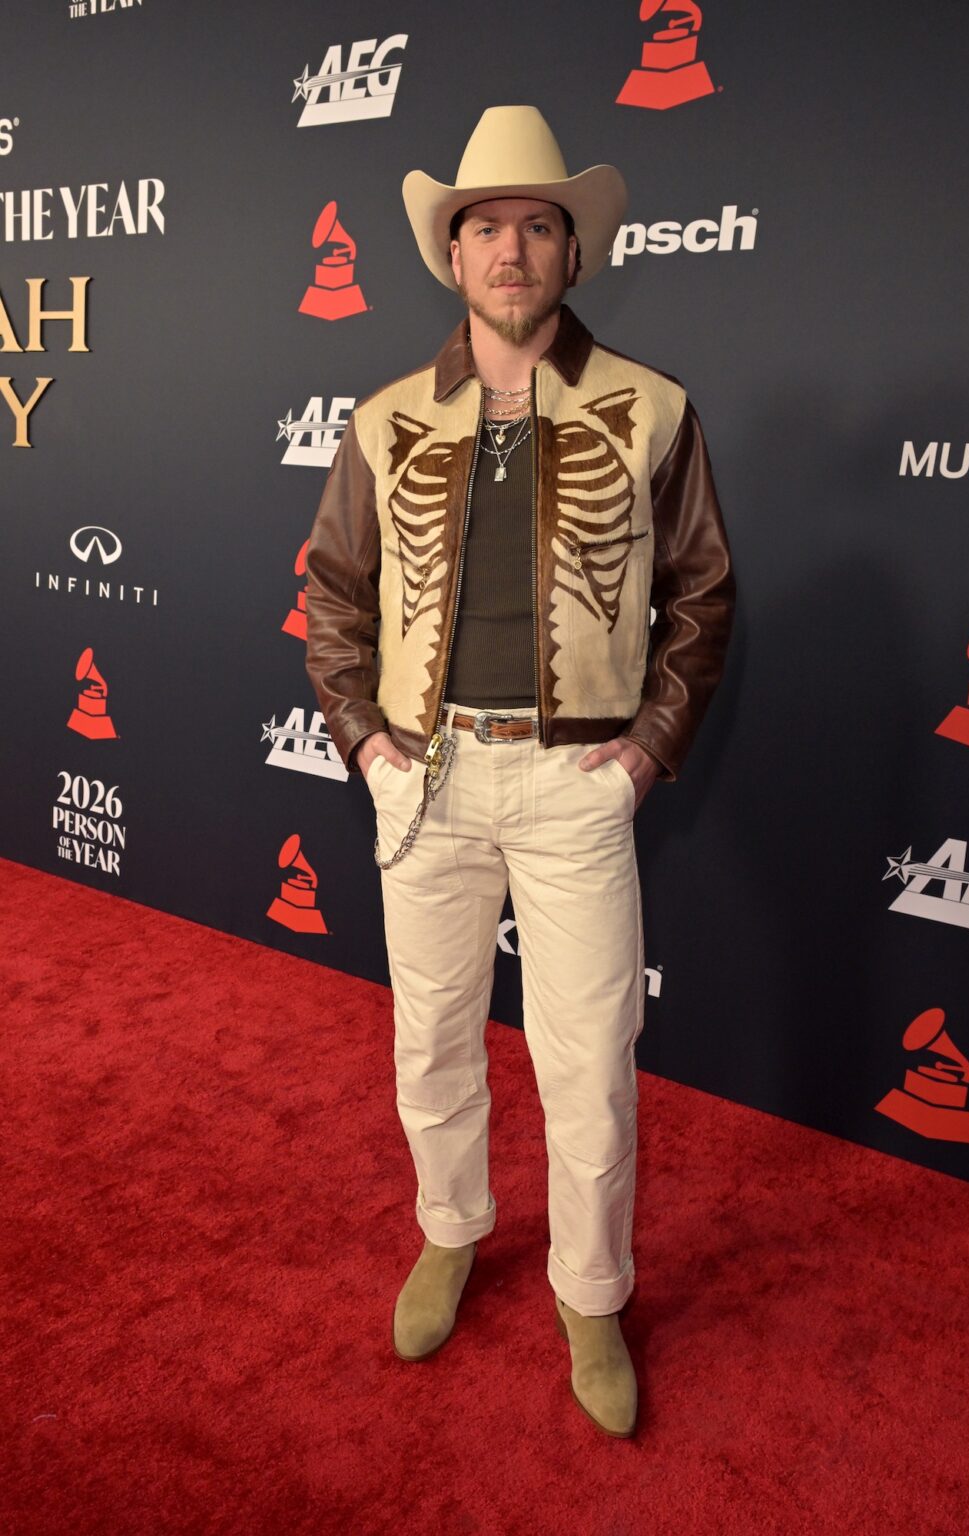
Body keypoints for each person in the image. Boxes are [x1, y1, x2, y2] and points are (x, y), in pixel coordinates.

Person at [304, 105, 734, 1438]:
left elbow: (702, 596)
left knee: (589, 1058)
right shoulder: (382, 420)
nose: (510, 249)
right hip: (423, 781)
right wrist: (366, 744)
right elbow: (333, 596)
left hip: (573, 788)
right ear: (451, 253)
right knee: (430, 1034)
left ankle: (591, 1294)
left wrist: (642, 755)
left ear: (570, 250)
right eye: (484, 226)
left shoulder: (651, 408)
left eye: (536, 225)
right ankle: (450, 1229)